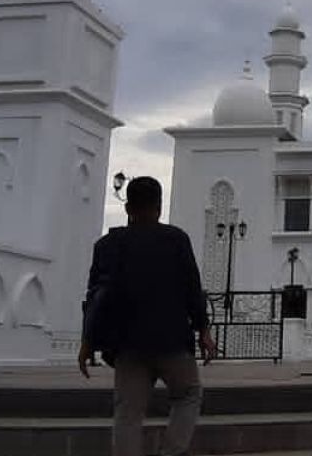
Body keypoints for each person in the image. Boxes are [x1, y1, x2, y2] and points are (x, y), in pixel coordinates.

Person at [79, 176, 215, 456]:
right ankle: (172, 451)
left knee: (128, 412)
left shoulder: (107, 245)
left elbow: (97, 297)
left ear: (128, 208)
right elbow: (192, 288)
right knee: (188, 394)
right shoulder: (175, 240)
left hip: (127, 345)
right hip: (172, 341)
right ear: (159, 207)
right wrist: (203, 330)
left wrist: (88, 341)